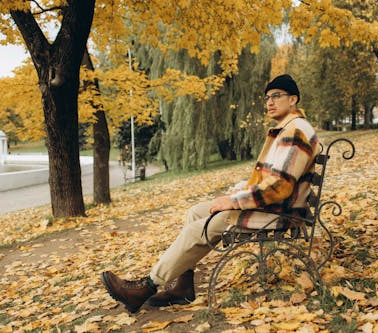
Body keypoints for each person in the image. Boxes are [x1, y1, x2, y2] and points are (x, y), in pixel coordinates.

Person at [101, 74, 319, 313]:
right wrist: (239, 192)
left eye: (276, 96)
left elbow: (279, 187)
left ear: (293, 99)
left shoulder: (295, 131)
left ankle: (146, 286)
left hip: (277, 213)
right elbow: (272, 181)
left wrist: (233, 202)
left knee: (197, 229)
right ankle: (182, 288)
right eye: (267, 97)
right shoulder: (289, 129)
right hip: (271, 206)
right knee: (195, 212)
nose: (269, 102)